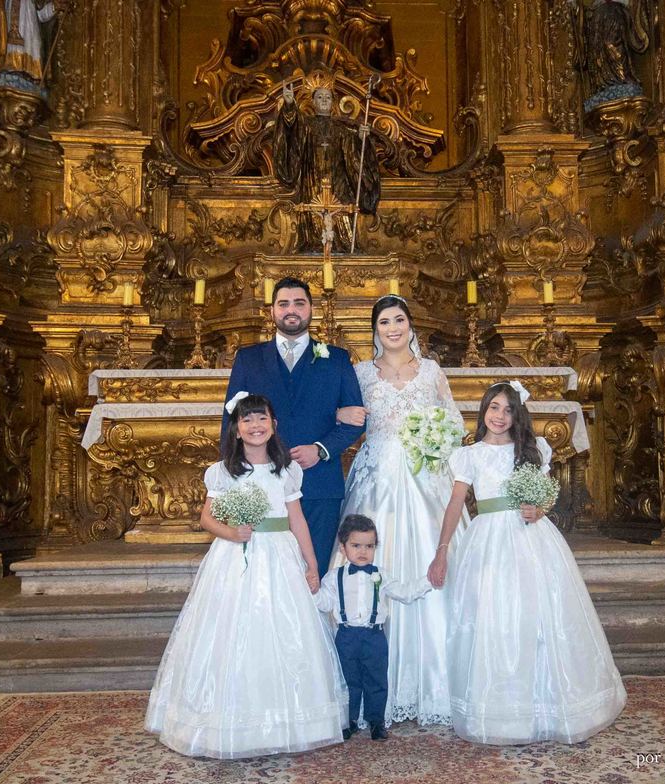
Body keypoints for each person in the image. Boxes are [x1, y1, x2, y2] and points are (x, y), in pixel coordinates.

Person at [145, 393, 346, 758]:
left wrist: (312, 564)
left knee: (284, 631)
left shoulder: (287, 470)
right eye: (247, 420)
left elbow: (297, 519)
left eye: (262, 418)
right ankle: (229, 721)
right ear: (236, 430)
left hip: (281, 555)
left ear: (274, 425)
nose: (255, 426)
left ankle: (288, 721)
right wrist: (231, 532)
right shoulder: (224, 471)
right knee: (234, 631)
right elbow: (207, 518)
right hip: (236, 558)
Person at [427, 381, 627, 745]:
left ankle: (546, 705)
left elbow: (545, 496)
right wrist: (442, 550)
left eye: (508, 410)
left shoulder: (532, 452)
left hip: (530, 539)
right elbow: (455, 504)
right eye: (494, 407)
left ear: (517, 415)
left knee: (538, 615)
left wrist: (540, 510)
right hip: (487, 543)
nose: (500, 416)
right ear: (483, 411)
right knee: (495, 615)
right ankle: (501, 709)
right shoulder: (469, 455)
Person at [332, 294, 467, 727]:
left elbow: (454, 422)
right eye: (385, 322)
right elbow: (343, 419)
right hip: (375, 481)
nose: (393, 328)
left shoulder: (430, 371)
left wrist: (434, 438)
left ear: (410, 325)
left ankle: (436, 683)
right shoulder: (359, 373)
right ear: (375, 330)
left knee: (435, 560)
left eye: (399, 320)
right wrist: (341, 413)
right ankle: (368, 686)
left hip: (426, 478)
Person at [224, 277, 365, 574]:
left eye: (299, 303)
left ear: (311, 309)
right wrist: (237, 475)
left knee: (315, 571)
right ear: (272, 310)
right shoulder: (248, 359)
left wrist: (321, 449)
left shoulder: (337, 359)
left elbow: (355, 420)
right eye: (283, 303)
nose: (291, 310)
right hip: (261, 486)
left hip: (319, 483)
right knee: (264, 573)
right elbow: (231, 421)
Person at [314, 514, 433, 741]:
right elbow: (325, 603)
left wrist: (428, 581)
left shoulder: (381, 574)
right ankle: (349, 721)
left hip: (374, 637)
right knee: (348, 680)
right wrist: (312, 591)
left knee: (376, 680)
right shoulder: (333, 577)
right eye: (356, 545)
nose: (363, 551)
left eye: (369, 546)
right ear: (343, 548)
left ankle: (376, 721)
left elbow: (405, 592)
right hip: (346, 636)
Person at [272, 73, 380, 253]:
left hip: (339, 184)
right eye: (320, 97)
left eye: (328, 97)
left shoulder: (343, 130)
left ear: (333, 103)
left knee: (341, 226)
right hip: (313, 181)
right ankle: (313, 244)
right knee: (314, 219)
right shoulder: (306, 125)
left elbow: (355, 157)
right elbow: (291, 134)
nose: (324, 100)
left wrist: (362, 139)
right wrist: (289, 106)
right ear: (313, 102)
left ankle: (344, 245)